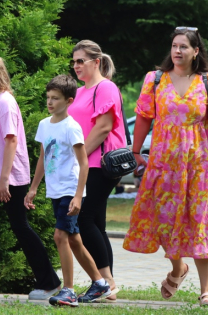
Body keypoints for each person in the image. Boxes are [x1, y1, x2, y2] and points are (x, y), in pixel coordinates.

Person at [123, 27, 208, 307]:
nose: (178, 51)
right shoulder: (155, 79)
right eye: (174, 46)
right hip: (164, 162)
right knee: (165, 220)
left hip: (201, 163)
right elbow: (144, 116)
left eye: (184, 46)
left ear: (196, 51)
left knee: (200, 222)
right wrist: (136, 151)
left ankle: (207, 289)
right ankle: (177, 269)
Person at [0, 56, 61, 299]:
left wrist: (4, 179)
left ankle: (50, 282)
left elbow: (11, 140)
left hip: (9, 179)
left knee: (21, 227)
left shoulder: (5, 103)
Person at [24, 75, 111, 306]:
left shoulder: (72, 127)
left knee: (60, 236)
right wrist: (33, 188)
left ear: (69, 100)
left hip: (69, 190)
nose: (50, 102)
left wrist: (78, 195)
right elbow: (43, 157)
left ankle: (69, 291)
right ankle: (100, 283)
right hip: (55, 190)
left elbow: (84, 163)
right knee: (74, 240)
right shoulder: (44, 125)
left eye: (55, 98)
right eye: (48, 98)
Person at [67, 40, 126, 301]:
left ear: (96, 62)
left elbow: (103, 128)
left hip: (99, 164)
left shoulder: (106, 87)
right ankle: (109, 286)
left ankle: (105, 282)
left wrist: (77, 156)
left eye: (81, 60)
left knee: (83, 220)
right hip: (85, 165)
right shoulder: (80, 92)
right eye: (74, 61)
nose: (76, 65)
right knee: (98, 224)